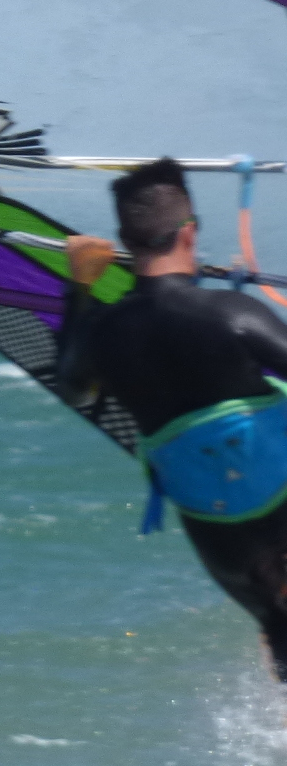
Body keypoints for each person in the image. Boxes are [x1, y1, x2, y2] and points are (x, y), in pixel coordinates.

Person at [58, 158, 287, 679]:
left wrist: (81, 288)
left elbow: (72, 389)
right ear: (189, 232)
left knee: (280, 631)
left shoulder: (101, 333)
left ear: (124, 242)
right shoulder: (229, 311)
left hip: (219, 530)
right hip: (281, 501)